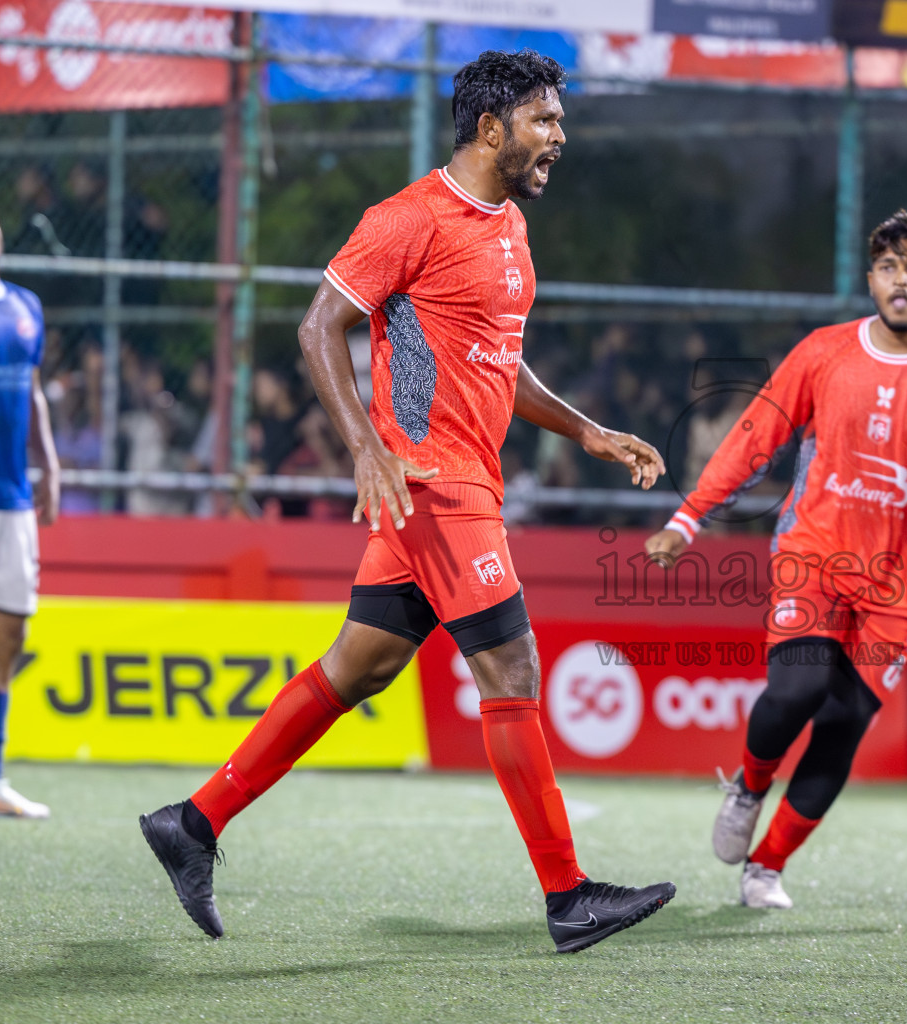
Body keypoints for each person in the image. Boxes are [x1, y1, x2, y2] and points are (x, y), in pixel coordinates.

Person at [138, 51, 675, 952]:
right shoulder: (409, 218)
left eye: (560, 122)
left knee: (362, 667)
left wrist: (586, 431)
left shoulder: (507, 225)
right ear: (491, 128)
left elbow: (501, 356)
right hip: (434, 486)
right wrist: (366, 449)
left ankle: (192, 823)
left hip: (461, 483)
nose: (559, 139)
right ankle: (568, 895)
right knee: (512, 673)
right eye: (545, 121)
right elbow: (319, 326)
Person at [643, 211, 907, 909]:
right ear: (870, 279)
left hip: (900, 587)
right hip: (815, 559)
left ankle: (766, 868)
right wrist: (688, 518)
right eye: (889, 267)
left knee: (842, 726)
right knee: (798, 692)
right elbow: (754, 439)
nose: (900, 280)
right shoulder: (824, 352)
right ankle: (748, 785)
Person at [0, 194, 60, 816]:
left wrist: (51, 464)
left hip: (11, 501)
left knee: (9, 635)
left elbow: (33, 395)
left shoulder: (26, 307)